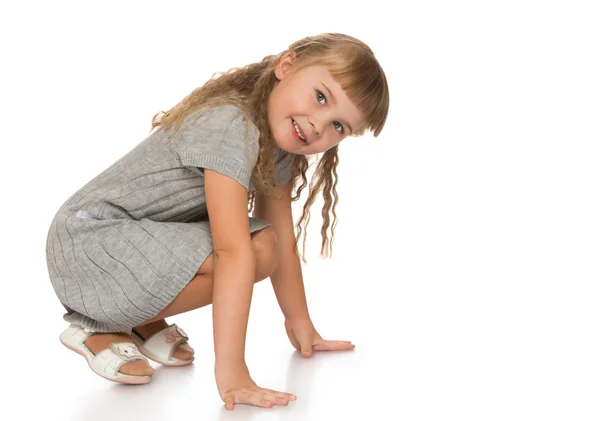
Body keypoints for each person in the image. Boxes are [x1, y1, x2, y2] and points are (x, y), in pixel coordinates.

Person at [46, 32, 389, 409]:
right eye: (321, 97)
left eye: (339, 126)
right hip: (89, 241)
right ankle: (99, 324)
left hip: (136, 240)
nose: (319, 125)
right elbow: (231, 251)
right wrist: (233, 373)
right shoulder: (230, 126)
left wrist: (300, 322)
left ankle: (140, 317)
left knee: (266, 244)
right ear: (286, 65)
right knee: (252, 249)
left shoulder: (279, 146)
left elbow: (283, 238)